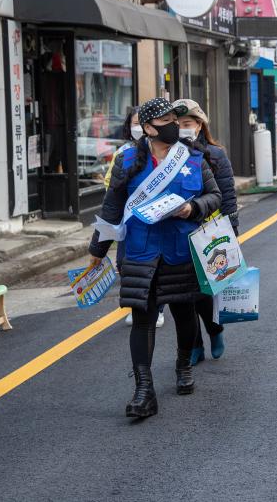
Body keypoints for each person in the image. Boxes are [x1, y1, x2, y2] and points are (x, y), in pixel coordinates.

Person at [88, 98, 221, 419]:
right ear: (148, 127)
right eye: (166, 120)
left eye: (176, 119)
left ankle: (183, 365)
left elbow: (214, 195)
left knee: (184, 311)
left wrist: (194, 208)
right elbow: (112, 207)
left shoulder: (192, 157)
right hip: (139, 251)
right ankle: (144, 390)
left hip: (180, 249)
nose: (174, 125)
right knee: (143, 317)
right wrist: (96, 251)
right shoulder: (127, 160)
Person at [173, 98, 238, 366]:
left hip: (208, 233)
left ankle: (214, 330)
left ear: (199, 125)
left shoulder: (214, 154)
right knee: (178, 297)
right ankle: (193, 346)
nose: (181, 129)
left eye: (186, 124)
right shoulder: (166, 153)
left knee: (203, 293)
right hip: (175, 234)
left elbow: (228, 196)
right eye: (176, 124)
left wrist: (232, 233)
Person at [108, 108, 166, 329]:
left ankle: (157, 308)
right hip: (129, 222)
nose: (138, 128)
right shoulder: (123, 154)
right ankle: (138, 306)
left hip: (159, 222)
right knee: (125, 264)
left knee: (160, 267)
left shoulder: (170, 154)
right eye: (135, 123)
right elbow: (109, 187)